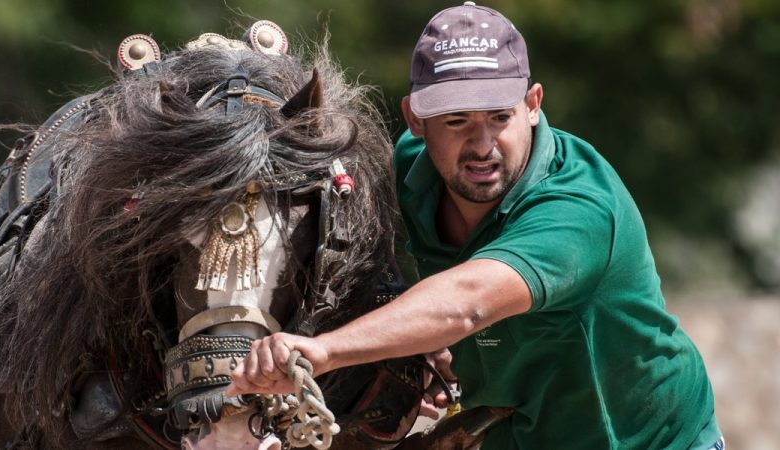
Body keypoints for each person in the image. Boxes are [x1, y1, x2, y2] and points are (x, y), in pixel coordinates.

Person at [227, 2, 722, 449]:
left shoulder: (579, 207)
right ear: (416, 118)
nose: (483, 145)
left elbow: (468, 302)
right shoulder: (408, 173)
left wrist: (324, 351)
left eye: (499, 117)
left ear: (532, 105)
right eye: (457, 120)